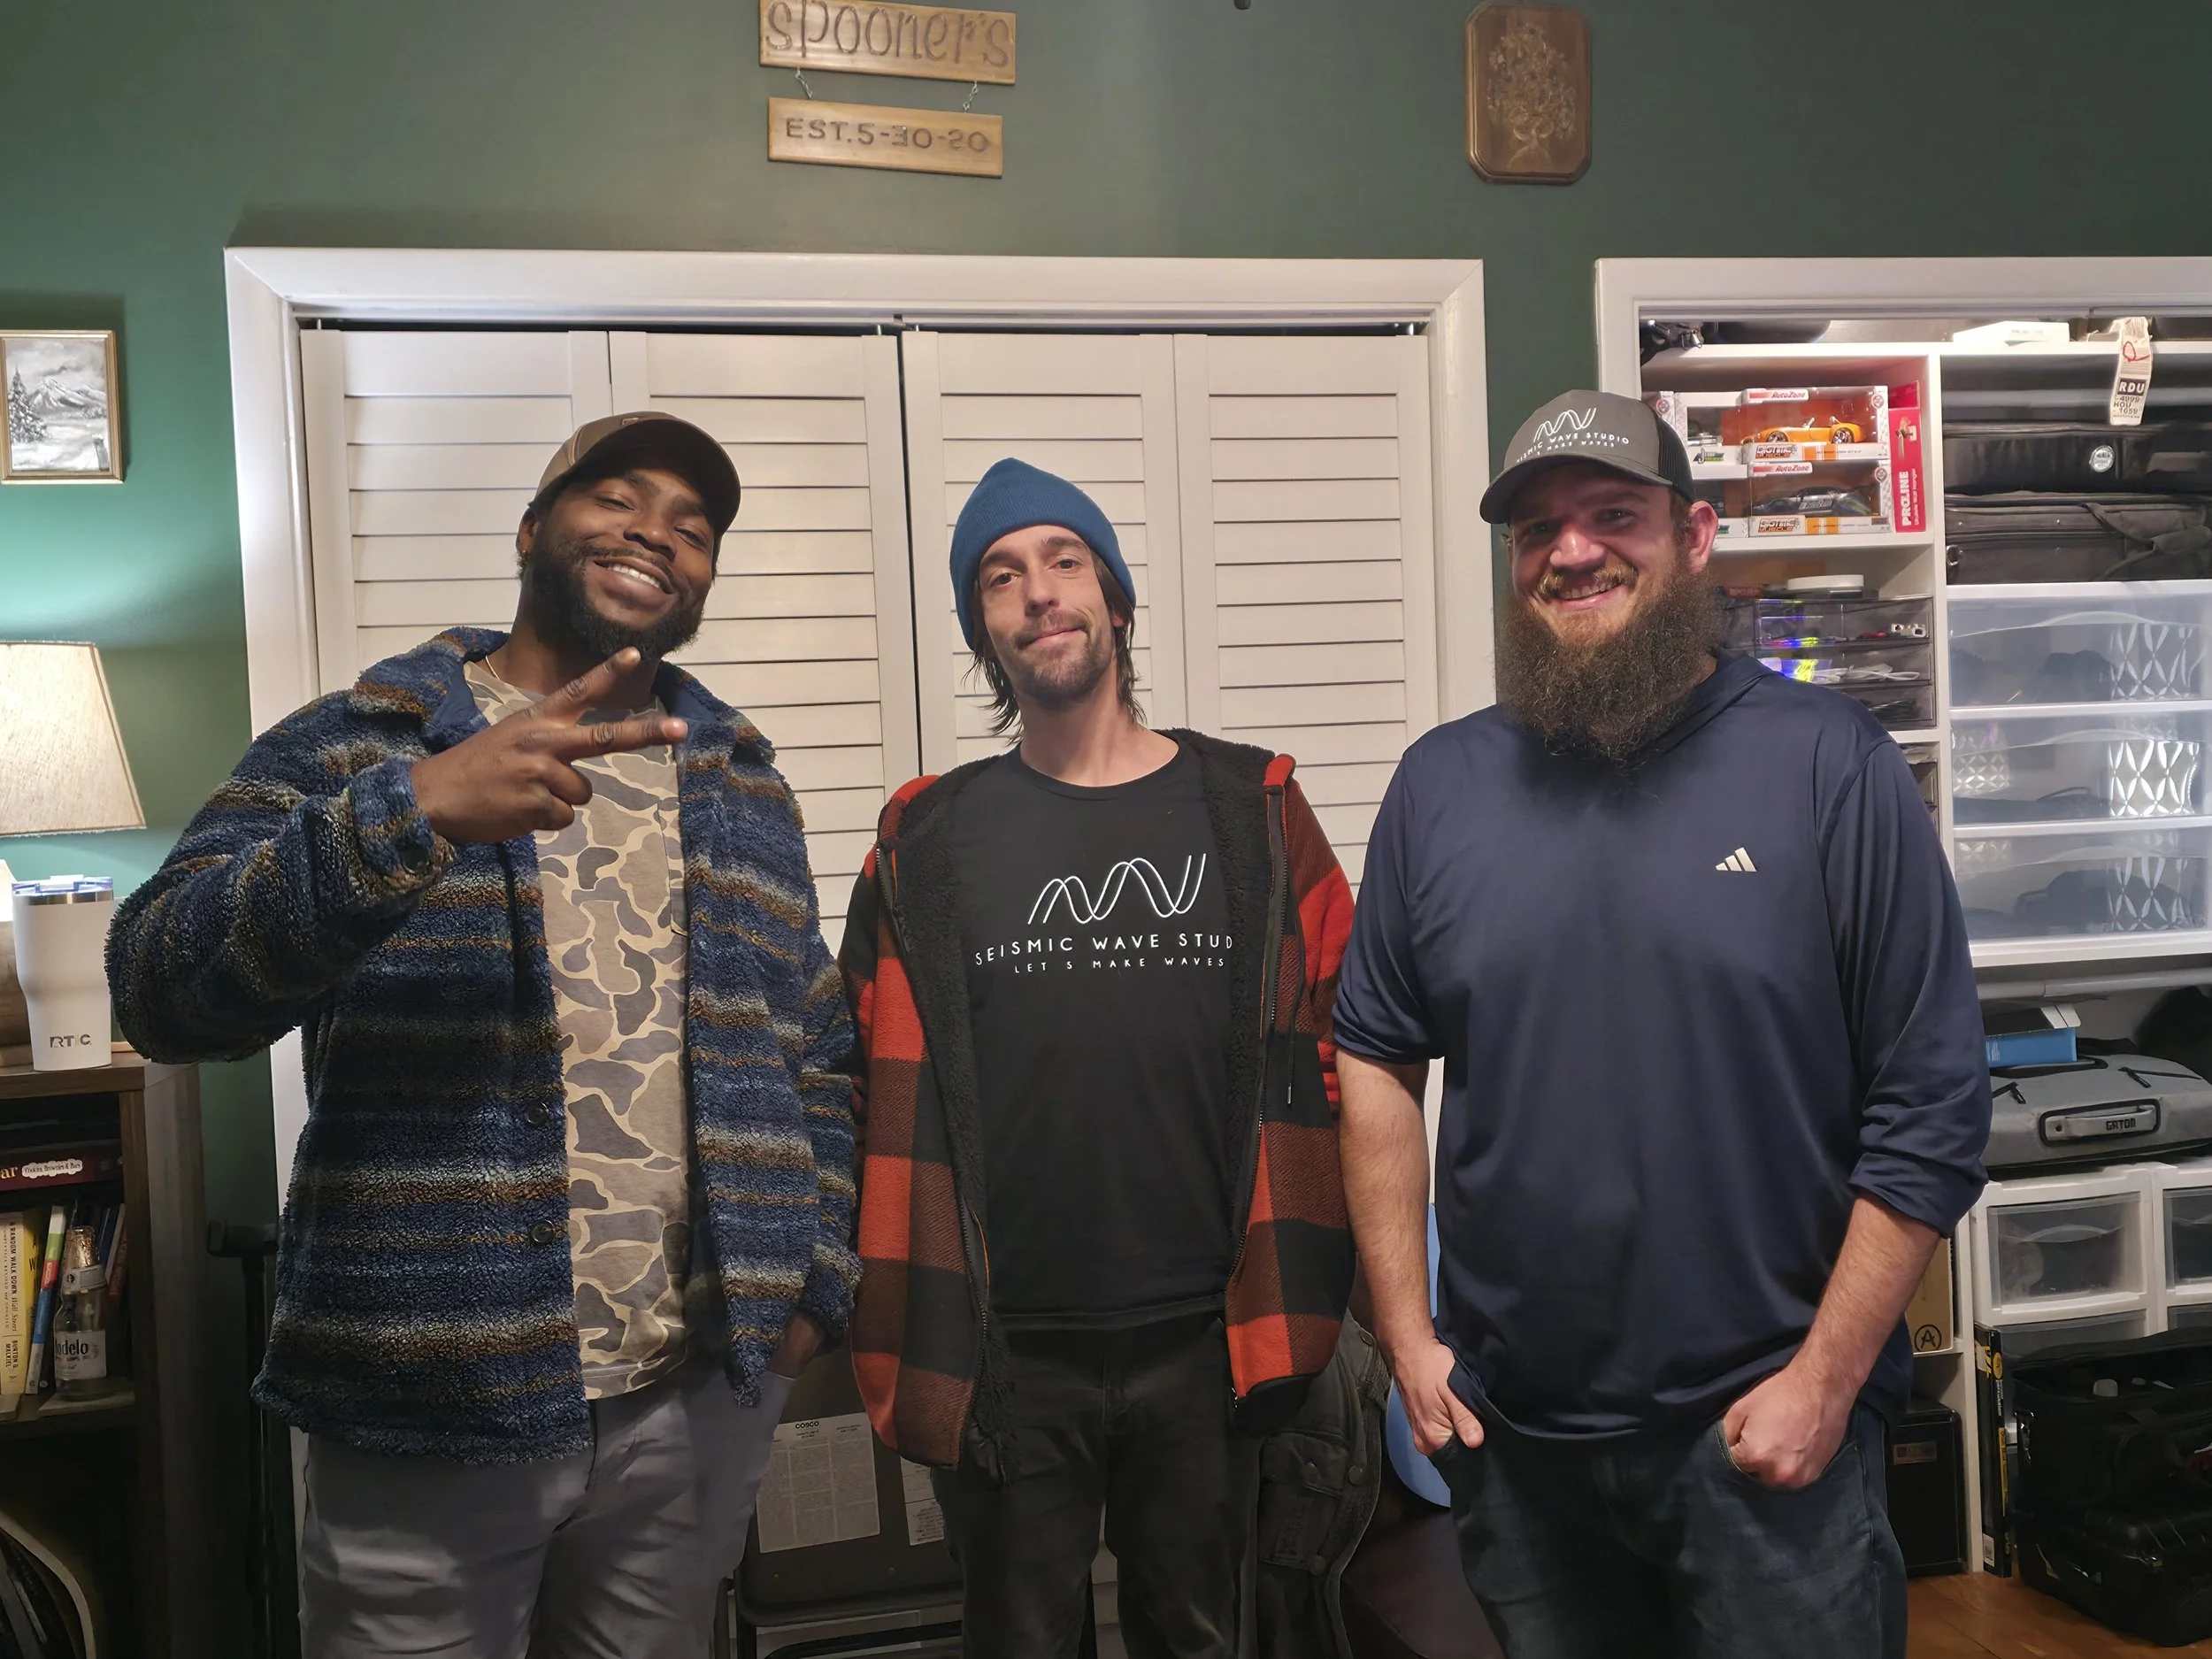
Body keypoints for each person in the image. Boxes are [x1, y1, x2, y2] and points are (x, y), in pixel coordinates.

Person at [108, 412, 858, 1659]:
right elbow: (158, 984)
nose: (656, 535)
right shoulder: (364, 742)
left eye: (694, 526)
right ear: (532, 528)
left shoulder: (745, 785)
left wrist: (810, 1286)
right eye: (618, 498)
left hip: (690, 1412)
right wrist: (416, 813)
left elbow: (820, 1053)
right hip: (427, 1404)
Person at [1333, 390, 1989, 1659]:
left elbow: (1934, 1100)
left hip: (1765, 1443)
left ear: (1694, 536)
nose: (1571, 551)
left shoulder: (1828, 765)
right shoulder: (1441, 787)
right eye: (1538, 528)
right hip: (1519, 1449)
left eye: (1611, 515)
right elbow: (1374, 1051)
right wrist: (1405, 1338)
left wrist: (1828, 1379)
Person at [837, 459, 1356, 1659]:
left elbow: (1348, 1042)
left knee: (1200, 1636)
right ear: (983, 630)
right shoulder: (926, 836)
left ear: (1115, 600)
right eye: (1000, 576)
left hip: (1212, 1334)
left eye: (1064, 561)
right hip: (1002, 1344)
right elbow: (856, 1075)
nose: (1038, 593)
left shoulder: (1256, 807)